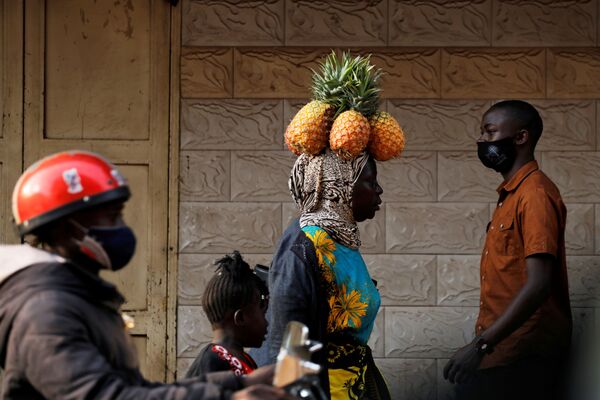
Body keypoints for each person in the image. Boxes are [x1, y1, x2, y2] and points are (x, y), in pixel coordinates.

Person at [0, 150, 289, 400]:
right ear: (68, 228)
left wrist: (241, 383)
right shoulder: (45, 312)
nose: (123, 227)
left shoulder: (81, 299)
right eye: (113, 218)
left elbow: (134, 388)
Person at [443, 100, 572, 400]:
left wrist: (479, 346)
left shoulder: (535, 194)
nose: (482, 141)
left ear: (521, 137)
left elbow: (539, 285)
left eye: (489, 133)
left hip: (523, 359)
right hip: (501, 355)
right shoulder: (512, 195)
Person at [252, 149, 390, 399]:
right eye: (370, 181)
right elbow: (289, 342)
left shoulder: (340, 241)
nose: (379, 190)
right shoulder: (305, 243)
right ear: (336, 186)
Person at [186, 251, 268, 378]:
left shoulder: (246, 359)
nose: (267, 322)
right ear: (240, 318)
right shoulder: (212, 361)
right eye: (263, 313)